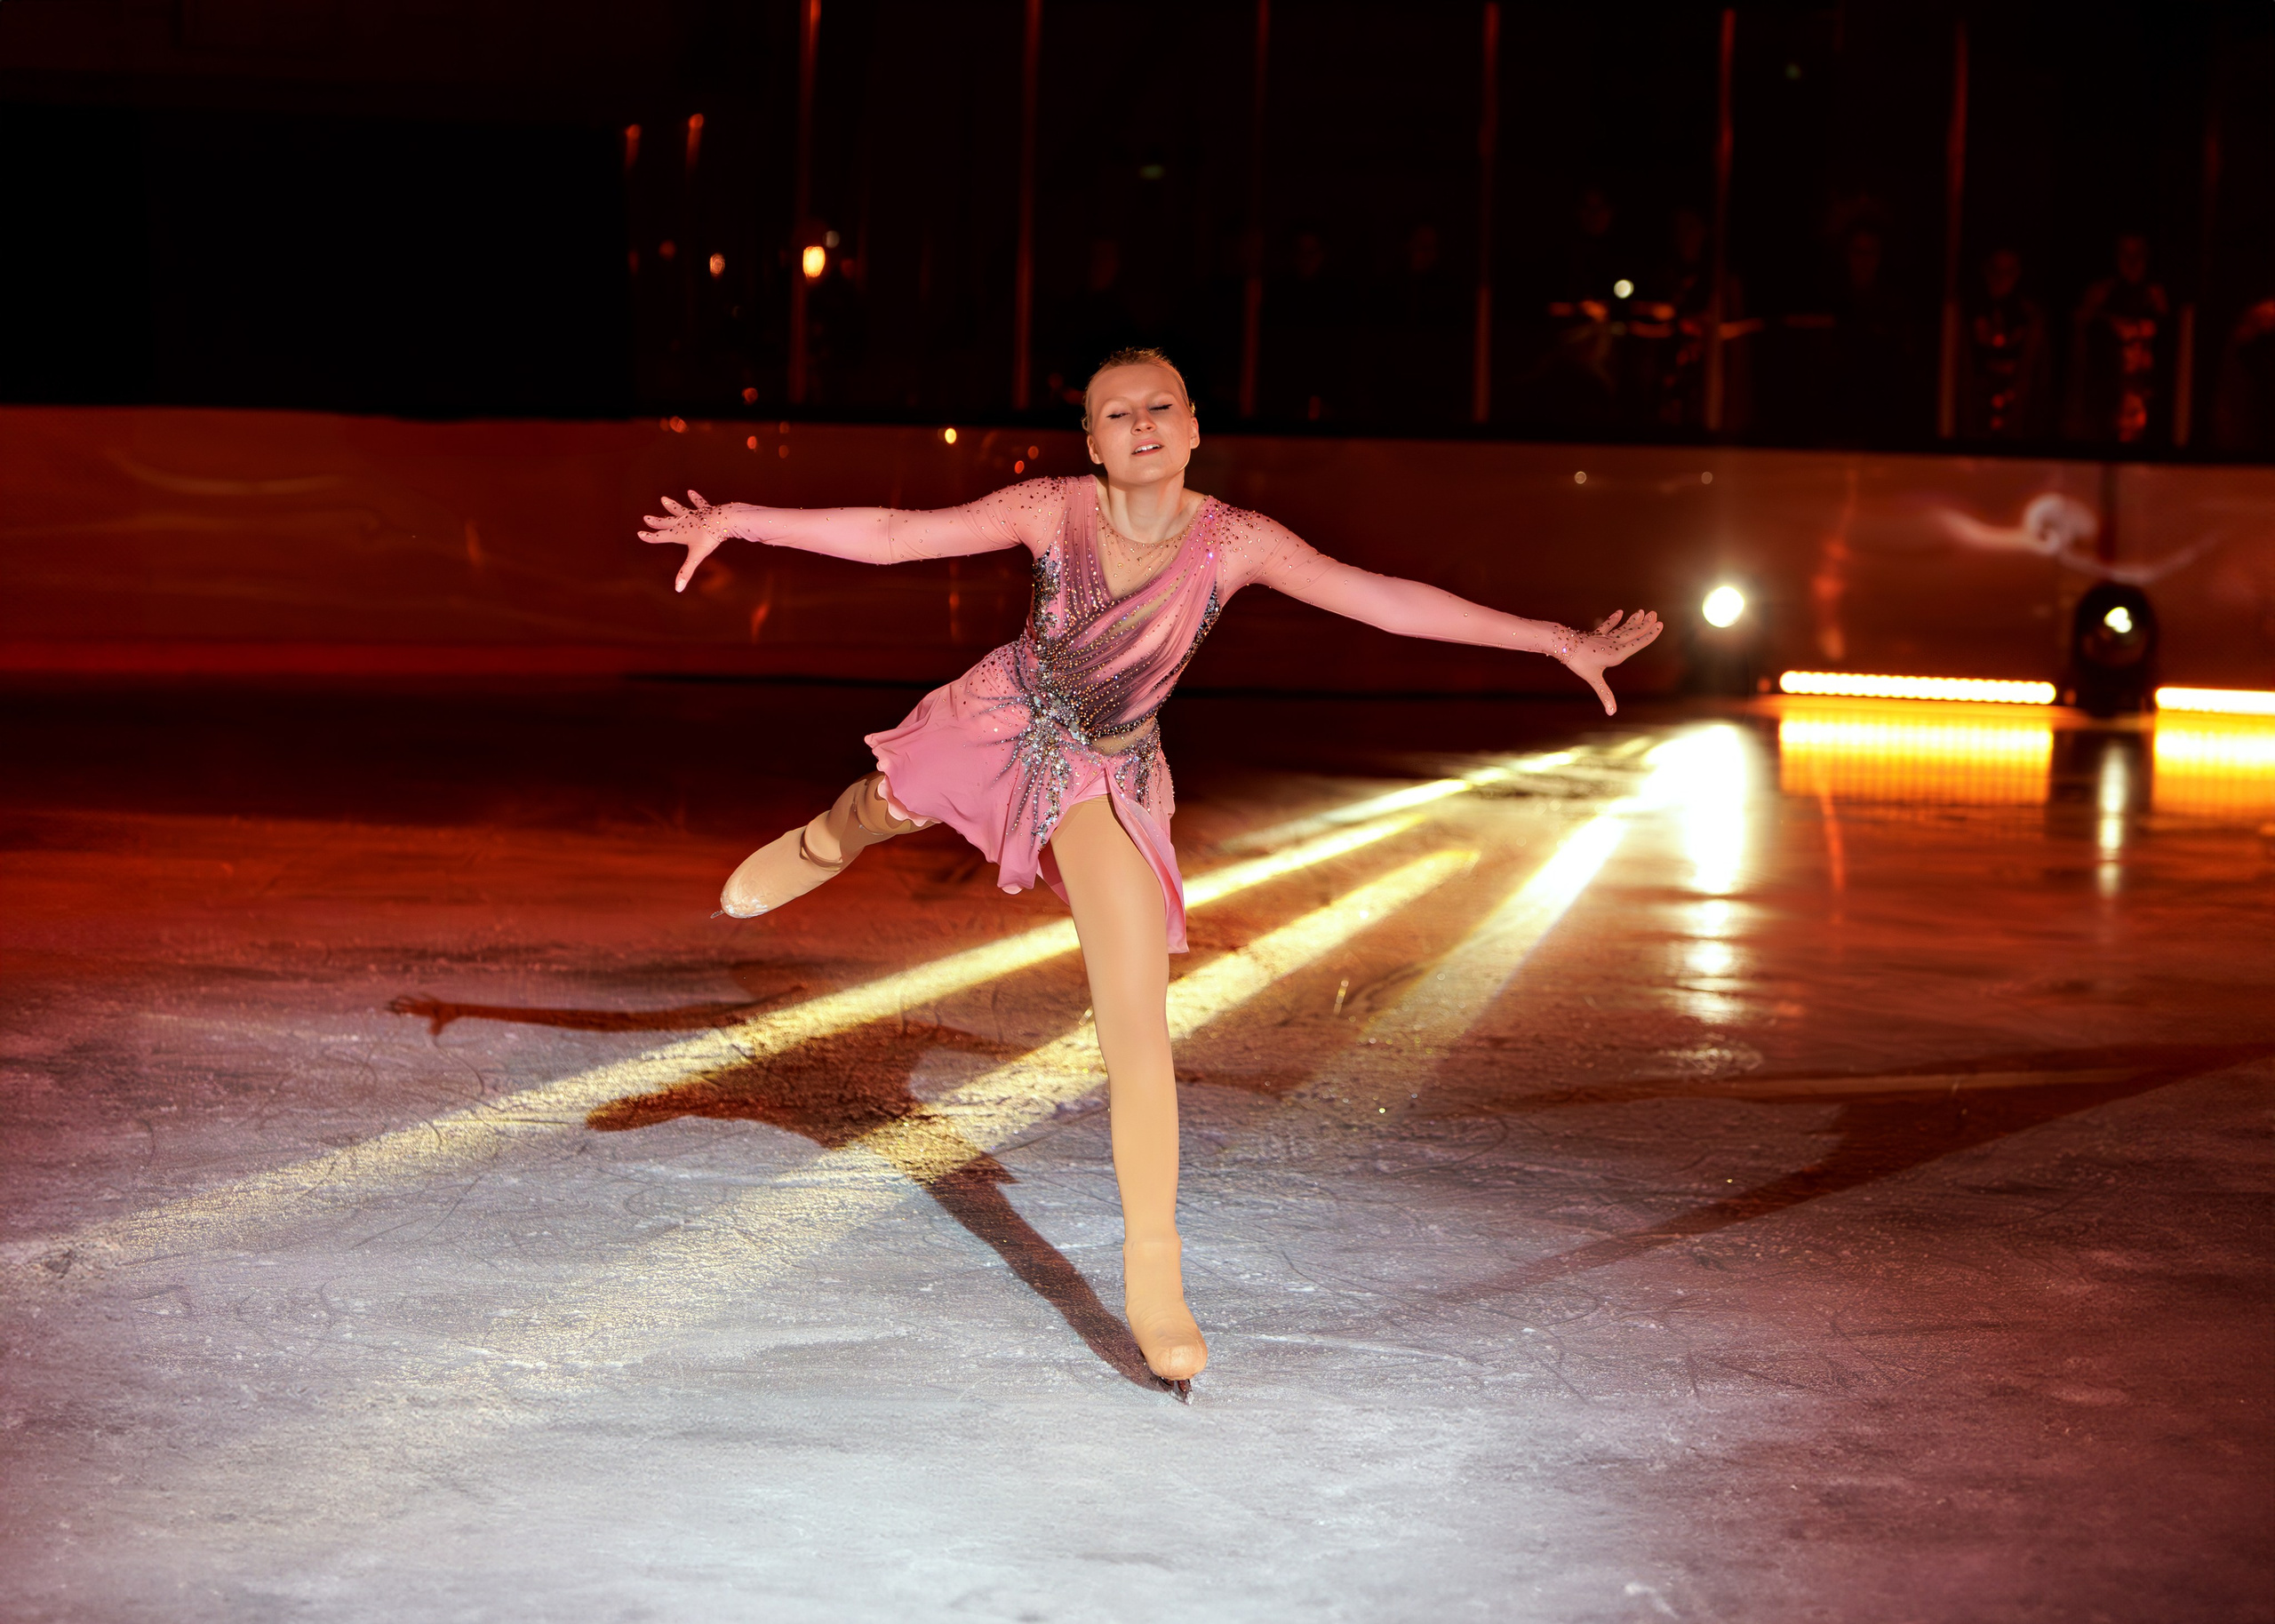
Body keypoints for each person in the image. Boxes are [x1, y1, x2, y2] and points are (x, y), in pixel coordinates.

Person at [638, 347, 1663, 1393]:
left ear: (1191, 427)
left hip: (1106, 776)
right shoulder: (1052, 508)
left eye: (1158, 406)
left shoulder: (1234, 542)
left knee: (1135, 1023)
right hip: (1001, 718)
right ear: (1089, 443)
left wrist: (1553, 641)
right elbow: (901, 538)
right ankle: (821, 844)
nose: (1139, 423)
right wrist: (741, 518)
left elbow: (1382, 600)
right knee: (882, 802)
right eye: (1114, 412)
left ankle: (1154, 1278)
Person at [2065, 232, 2171, 445]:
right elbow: (2079, 362)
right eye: (2125, 254)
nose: (2132, 263)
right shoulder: (2099, 298)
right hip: (2104, 416)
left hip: (2146, 416)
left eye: (2138, 254)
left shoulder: (2157, 300)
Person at [1960, 248, 2051, 440]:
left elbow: (2038, 381)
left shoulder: (2031, 321)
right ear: (1985, 271)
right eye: (1995, 271)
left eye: (2008, 272)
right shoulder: (1965, 319)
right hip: (1973, 429)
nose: (2001, 279)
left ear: (2018, 273)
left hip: (2016, 430)